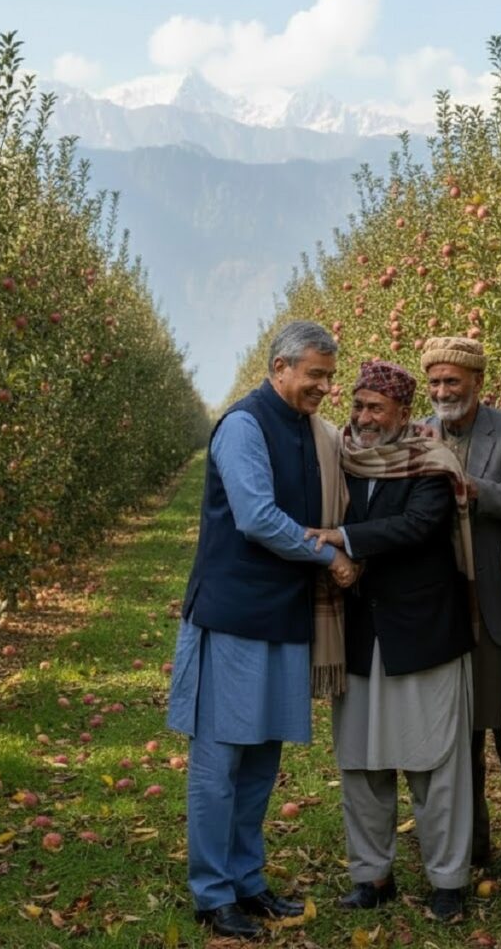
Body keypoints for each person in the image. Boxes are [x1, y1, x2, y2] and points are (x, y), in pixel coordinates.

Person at [167, 320, 359, 940]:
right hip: (232, 616)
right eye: (314, 374)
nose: (324, 387)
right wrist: (331, 556)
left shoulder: (310, 431)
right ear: (280, 368)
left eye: (330, 376)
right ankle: (212, 893)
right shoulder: (244, 425)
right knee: (220, 759)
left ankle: (247, 881)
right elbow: (255, 517)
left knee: (260, 761)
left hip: (283, 615)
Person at [307, 360, 475, 922]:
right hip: (358, 633)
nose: (363, 417)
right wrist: (334, 549)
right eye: (357, 405)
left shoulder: (431, 461)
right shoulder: (342, 460)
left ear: (405, 414)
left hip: (422, 632)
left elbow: (419, 526)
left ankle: (448, 882)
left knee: (434, 766)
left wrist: (344, 539)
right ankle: (371, 875)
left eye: (375, 407)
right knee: (360, 764)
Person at [420, 336, 501, 879]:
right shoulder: (419, 433)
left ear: (477, 383)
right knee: (456, 734)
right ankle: (470, 843)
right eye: (435, 383)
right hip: (441, 601)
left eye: (453, 382)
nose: (443, 392)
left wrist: (470, 488)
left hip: (494, 599)